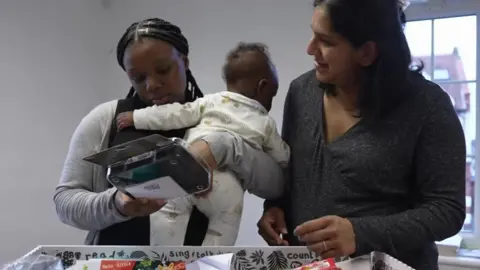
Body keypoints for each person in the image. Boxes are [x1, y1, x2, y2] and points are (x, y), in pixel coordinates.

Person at [257, 1, 466, 270]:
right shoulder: (301, 92)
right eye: (313, 35)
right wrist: (275, 207)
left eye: (326, 41)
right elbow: (290, 174)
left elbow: (447, 210)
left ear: (367, 52)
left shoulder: (428, 106)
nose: (309, 49)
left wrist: (361, 233)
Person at [53, 18, 284, 246]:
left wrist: (225, 146)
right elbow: (65, 203)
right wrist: (116, 203)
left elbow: (275, 185)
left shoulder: (219, 118)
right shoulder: (106, 119)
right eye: (138, 78)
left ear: (184, 61)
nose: (152, 84)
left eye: (163, 70)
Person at [115, 42, 289, 246]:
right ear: (263, 87)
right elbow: (283, 157)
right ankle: (212, 263)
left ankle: (163, 260)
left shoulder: (210, 102)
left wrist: (136, 117)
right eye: (273, 94)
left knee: (169, 212)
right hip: (226, 187)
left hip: (187, 177)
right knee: (225, 221)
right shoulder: (265, 123)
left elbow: (173, 114)